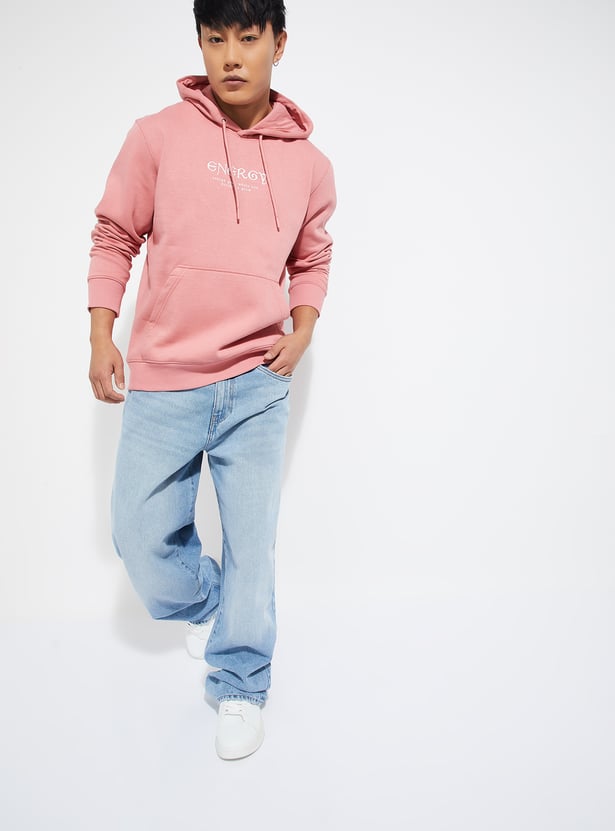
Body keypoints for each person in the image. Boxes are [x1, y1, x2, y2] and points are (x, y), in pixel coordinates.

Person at [87, 0, 335, 761]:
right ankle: (209, 602)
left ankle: (242, 682)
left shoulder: (310, 164)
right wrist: (100, 331)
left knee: (253, 545)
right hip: (166, 377)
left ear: (278, 44)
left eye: (248, 38)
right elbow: (115, 232)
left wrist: (303, 327)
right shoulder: (157, 135)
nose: (231, 55)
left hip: (257, 383)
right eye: (214, 37)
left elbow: (312, 257)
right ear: (199, 41)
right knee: (135, 533)